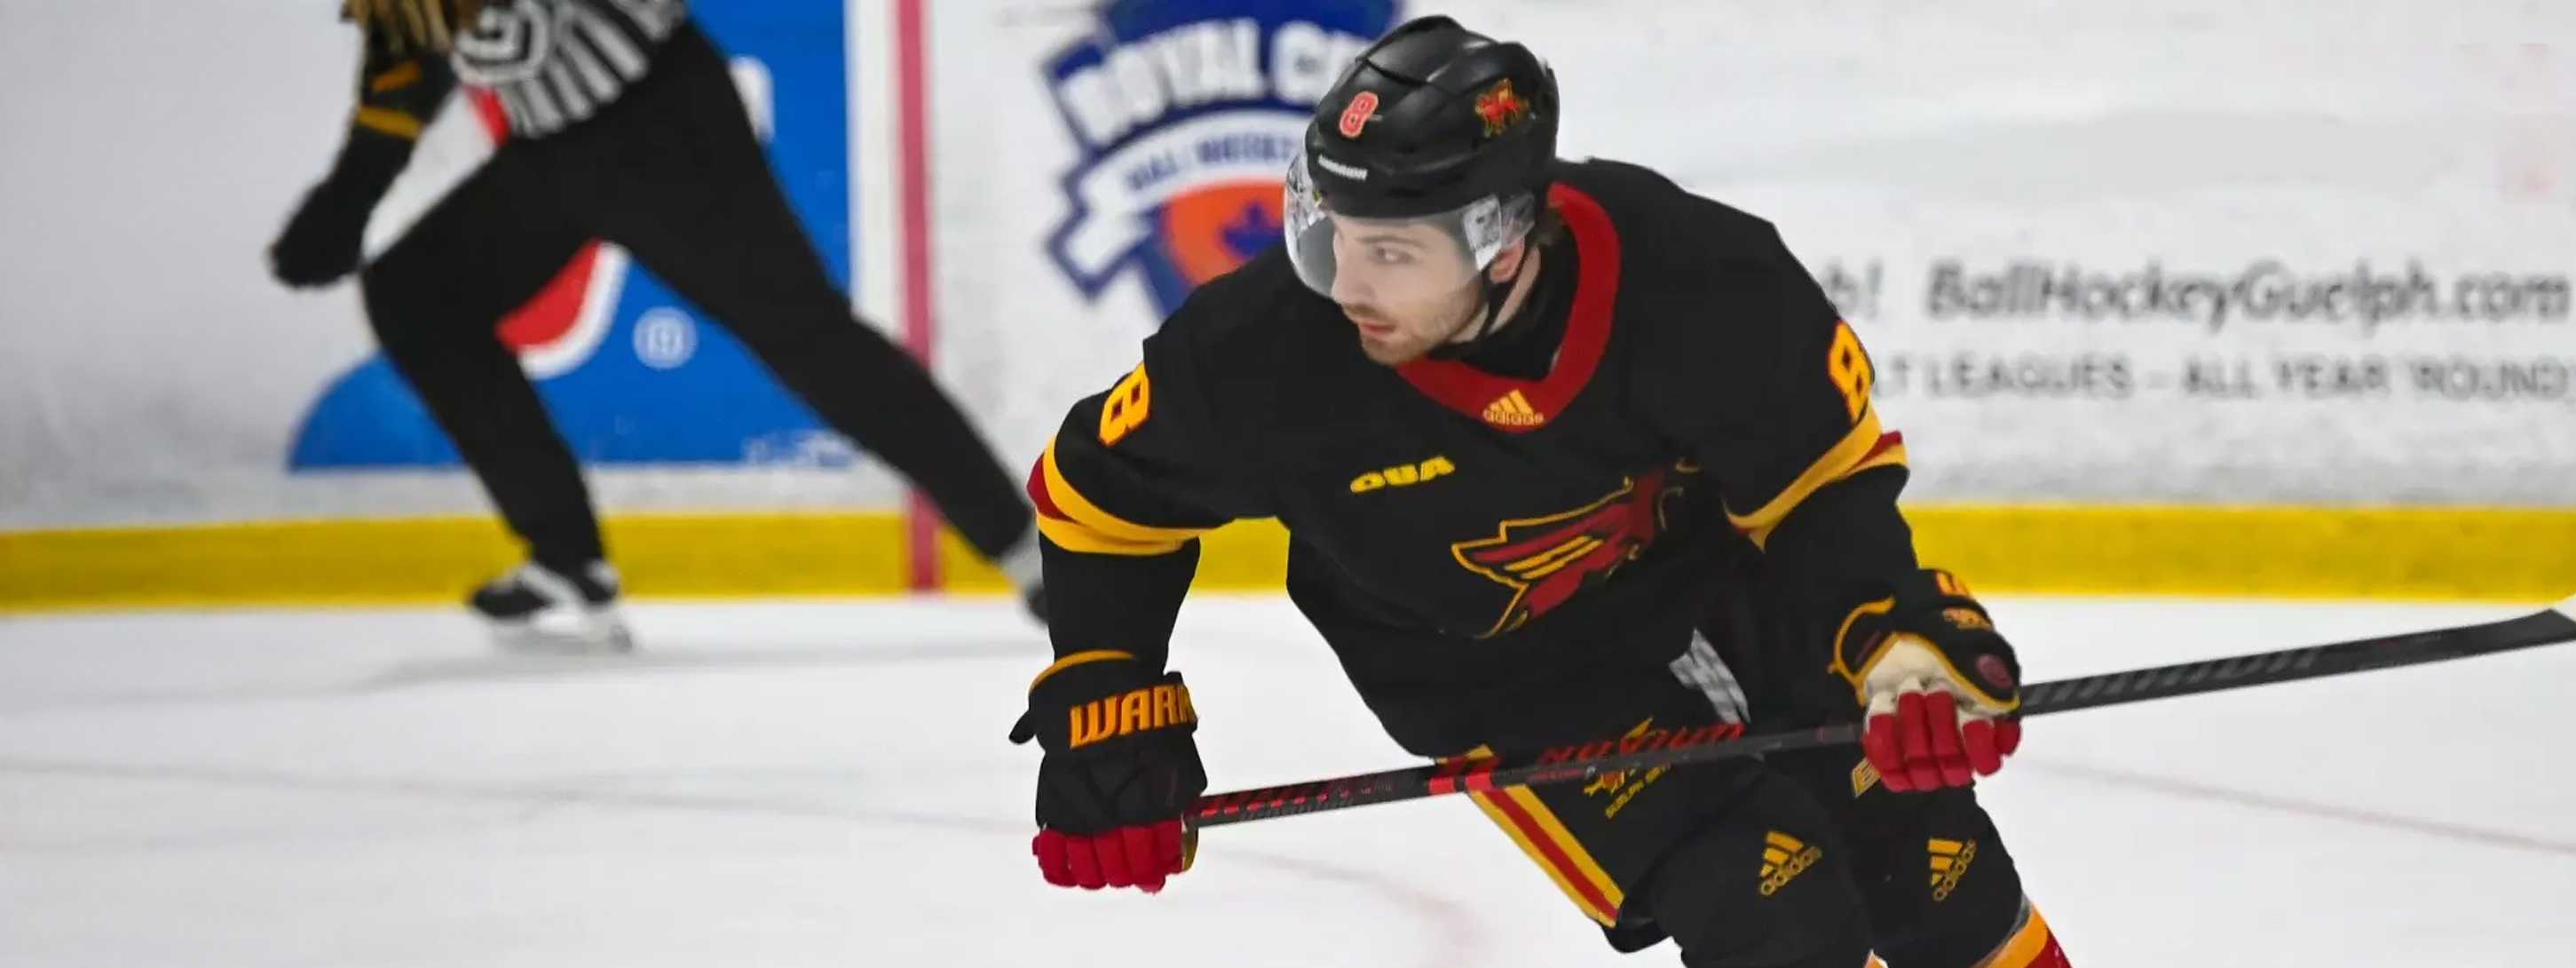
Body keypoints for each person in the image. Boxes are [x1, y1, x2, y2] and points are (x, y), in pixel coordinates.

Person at [1007, 16, 2067, 968]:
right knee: (1774, 912)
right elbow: (1099, 496)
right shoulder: (1264, 351)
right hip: (1502, 677)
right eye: (1328, 227)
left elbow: (1818, 490)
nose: (1348, 284)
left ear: (1505, 243)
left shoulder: (1697, 279)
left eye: (1393, 251)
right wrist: (1107, 692)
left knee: (1935, 872)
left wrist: (1892, 635)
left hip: (1714, 577)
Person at [265, 0, 1046, 649]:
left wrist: (355, 186)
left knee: (808, 337)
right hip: (557, 147)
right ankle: (567, 556)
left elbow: (472, 36)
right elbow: (410, 52)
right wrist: (350, 195)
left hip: (667, 125)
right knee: (418, 297)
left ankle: (1029, 552)